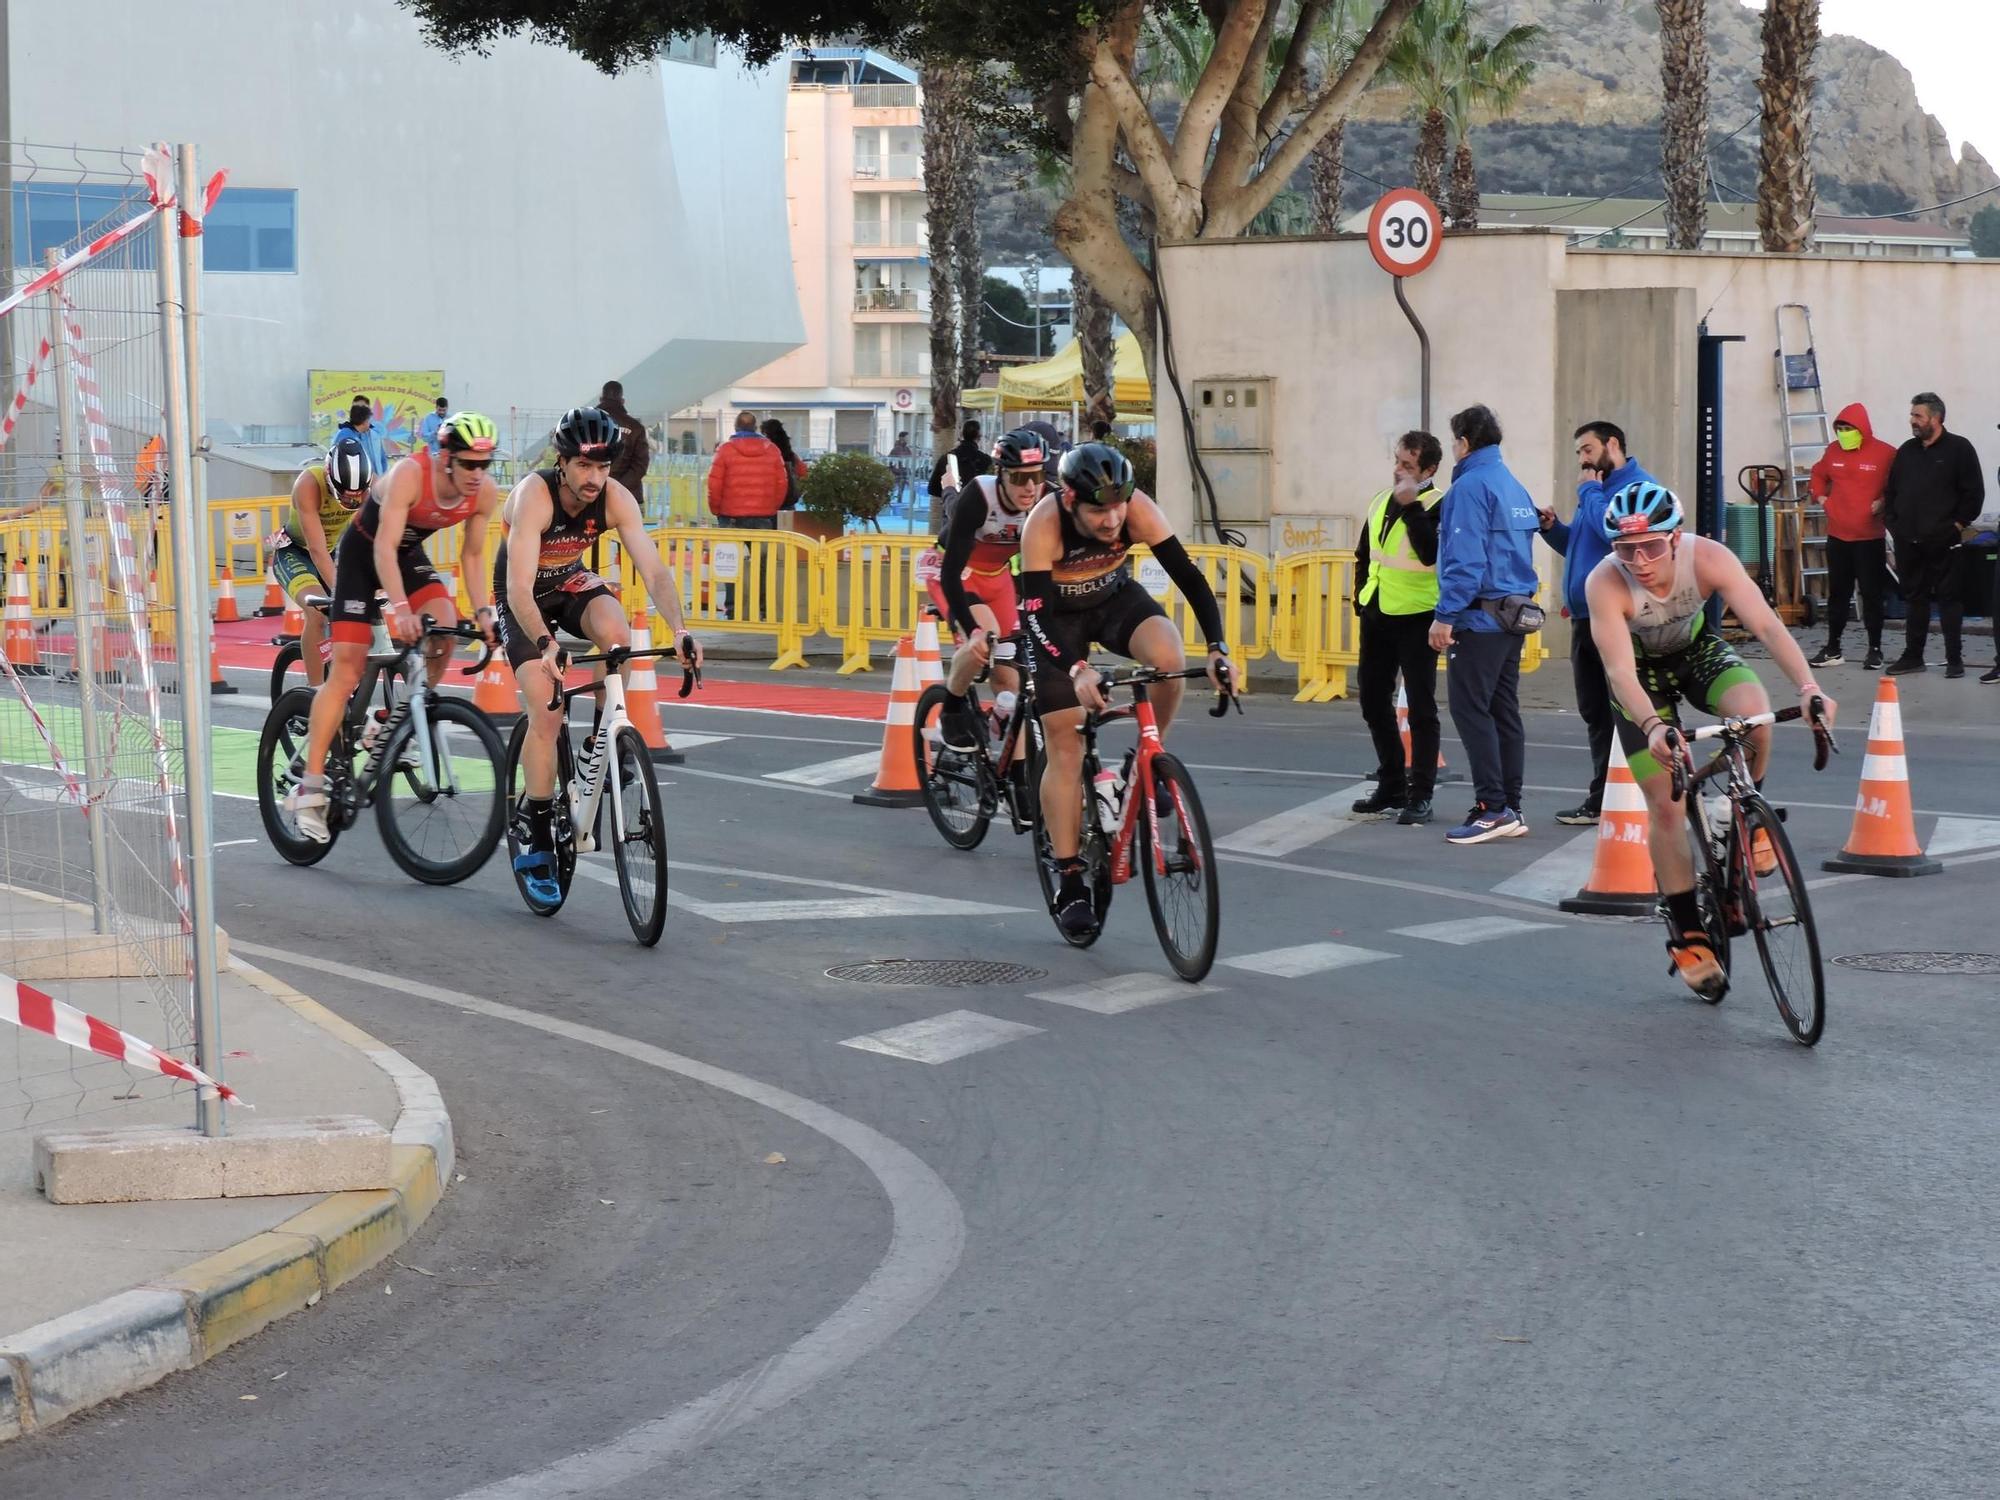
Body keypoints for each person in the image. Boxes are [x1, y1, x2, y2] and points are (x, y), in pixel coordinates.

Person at [1586, 481, 1837, 997]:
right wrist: (1654, 727)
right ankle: (1687, 932)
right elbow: (1618, 672)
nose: (1639, 560)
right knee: (1666, 804)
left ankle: (1743, 815)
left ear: (1676, 538)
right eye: (1625, 549)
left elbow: (1766, 626)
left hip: (1696, 654)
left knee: (1756, 716)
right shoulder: (1604, 583)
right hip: (1640, 682)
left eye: (1651, 546)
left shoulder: (1709, 557)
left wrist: (1810, 688)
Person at [1019, 442, 1232, 939]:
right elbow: (1035, 615)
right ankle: (1070, 879)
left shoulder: (1135, 508)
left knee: (1170, 658)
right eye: (1099, 509)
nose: (1113, 519)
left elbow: (1190, 579)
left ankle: (1148, 759)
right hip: (1054, 624)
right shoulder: (1043, 525)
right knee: (1065, 744)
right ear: (1071, 499)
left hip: (1112, 599)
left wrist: (1220, 648)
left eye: (1119, 505)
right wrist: (1076, 670)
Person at [496, 407, 702, 904]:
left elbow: (652, 570)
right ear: (562, 462)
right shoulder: (534, 496)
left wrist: (679, 628)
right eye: (585, 467)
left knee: (619, 636)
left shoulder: (616, 498)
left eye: (604, 467)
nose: (595, 479)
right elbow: (519, 587)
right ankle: (540, 832)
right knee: (548, 704)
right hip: (523, 599)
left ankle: (600, 746)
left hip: (568, 580)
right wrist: (546, 645)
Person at [284, 412, 504, 843]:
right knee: (347, 668)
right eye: (469, 464)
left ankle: (393, 720)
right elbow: (383, 546)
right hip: (363, 556)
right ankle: (310, 787)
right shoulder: (410, 475)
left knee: (444, 629)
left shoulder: (483, 494)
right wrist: (400, 608)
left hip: (406, 554)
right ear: (445, 458)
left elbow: (474, 558)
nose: (478, 475)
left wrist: (483, 612)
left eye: (486, 465)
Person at [1429, 405, 1540, 845]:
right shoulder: (1512, 484)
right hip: (1513, 614)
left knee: (1469, 708)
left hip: (1478, 616)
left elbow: (1465, 559)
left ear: (1463, 442)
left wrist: (1444, 616)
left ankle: (1492, 808)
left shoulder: (1470, 487)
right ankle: (1509, 805)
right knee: (1502, 710)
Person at [1537, 421, 1655, 826]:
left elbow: (1614, 532)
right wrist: (1553, 530)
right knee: (1594, 711)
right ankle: (1604, 794)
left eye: (1587, 450)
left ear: (1613, 445)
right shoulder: (1596, 490)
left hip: (1619, 620)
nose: (1582, 461)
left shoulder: (1636, 488)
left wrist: (1589, 492)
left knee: (1625, 708)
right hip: (1584, 618)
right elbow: (1580, 544)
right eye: (1579, 453)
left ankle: (1634, 793)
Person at [929, 428, 1050, 751]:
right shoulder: (980, 496)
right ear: (1000, 474)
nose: (1029, 487)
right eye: (1018, 478)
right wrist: (973, 630)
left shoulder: (1046, 500)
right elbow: (951, 574)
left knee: (1009, 676)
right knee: (987, 638)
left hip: (996, 577)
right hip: (955, 571)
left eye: (1036, 476)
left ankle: (1011, 766)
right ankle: (951, 712)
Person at [1350, 431, 1444, 826]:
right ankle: (1391, 783)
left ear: (1429, 469)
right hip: (1378, 613)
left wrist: (1412, 508)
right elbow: (1364, 554)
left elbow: (1431, 553)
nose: (1398, 470)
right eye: (1397, 461)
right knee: (1372, 699)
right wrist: (1359, 598)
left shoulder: (1439, 504)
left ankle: (1420, 794)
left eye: (1408, 465)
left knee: (1421, 709)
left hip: (1419, 617)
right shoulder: (1378, 500)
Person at [1883, 392, 1985, 677]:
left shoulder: (1959, 449)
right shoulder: (1907, 451)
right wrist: (1894, 524)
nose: (1912, 421)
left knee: (1949, 599)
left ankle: (1955, 660)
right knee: (1915, 598)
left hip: (1944, 540)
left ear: (1936, 418)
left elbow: (1973, 493)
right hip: (1908, 540)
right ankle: (1913, 656)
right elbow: (1892, 491)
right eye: (1912, 415)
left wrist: (1955, 526)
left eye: (1918, 416)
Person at [269, 434, 374, 687]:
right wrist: (344, 592)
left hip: (333, 552)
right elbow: (316, 550)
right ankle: (314, 692)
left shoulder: (370, 490)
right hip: (297, 552)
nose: (352, 501)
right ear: (330, 477)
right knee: (318, 614)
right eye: (346, 496)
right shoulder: (308, 485)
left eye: (358, 496)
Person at [1806, 402, 1895, 670]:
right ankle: (1833, 647)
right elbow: (1818, 474)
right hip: (1838, 536)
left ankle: (1875, 649)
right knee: (1838, 594)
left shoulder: (1886, 453)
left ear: (1862, 429)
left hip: (1869, 538)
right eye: (1840, 428)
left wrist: (1884, 501)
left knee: (1871, 594)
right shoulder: (1833, 451)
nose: (1844, 433)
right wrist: (1821, 497)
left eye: (1849, 428)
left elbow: (1900, 485)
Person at [705, 410, 790, 616]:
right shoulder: (772, 451)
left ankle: (733, 608)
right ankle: (762, 608)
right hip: (763, 517)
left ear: (735, 427)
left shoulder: (725, 450)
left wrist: (716, 509)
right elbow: (782, 484)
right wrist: (770, 508)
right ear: (754, 427)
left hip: (730, 517)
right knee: (763, 565)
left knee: (730, 563)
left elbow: (714, 484)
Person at [598, 381, 651, 503]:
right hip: (627, 497)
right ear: (622, 401)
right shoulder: (636, 427)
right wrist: (618, 487)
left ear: (601, 399)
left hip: (594, 494)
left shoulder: (589, 424)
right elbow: (640, 465)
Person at [929, 420, 991, 499]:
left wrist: (949, 493)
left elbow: (933, 488)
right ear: (979, 436)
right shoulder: (985, 460)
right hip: (976, 507)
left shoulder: (946, 458)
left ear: (961, 434)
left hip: (952, 506)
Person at [762, 418, 807, 512]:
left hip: (766, 505)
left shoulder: (763, 454)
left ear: (765, 434)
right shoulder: (791, 456)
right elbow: (804, 475)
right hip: (788, 504)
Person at [338, 399, 390, 477]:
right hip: (355, 481)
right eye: (369, 420)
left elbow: (382, 459)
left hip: (377, 482)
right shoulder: (345, 436)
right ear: (364, 422)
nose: (370, 422)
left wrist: (383, 477)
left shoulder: (374, 434)